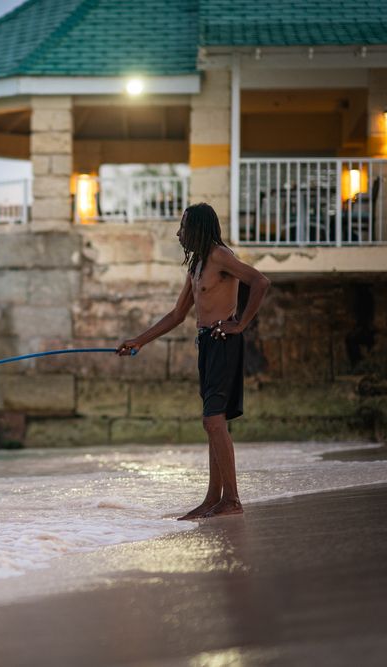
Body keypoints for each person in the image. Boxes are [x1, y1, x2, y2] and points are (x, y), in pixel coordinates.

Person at [117, 203, 270, 520]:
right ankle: (214, 498)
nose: (178, 233)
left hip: (224, 342)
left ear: (198, 228)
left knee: (213, 421)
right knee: (214, 423)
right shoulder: (197, 264)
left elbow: (260, 282)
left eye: (183, 226)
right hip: (207, 345)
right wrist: (139, 341)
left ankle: (232, 500)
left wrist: (241, 323)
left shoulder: (219, 256)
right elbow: (177, 315)